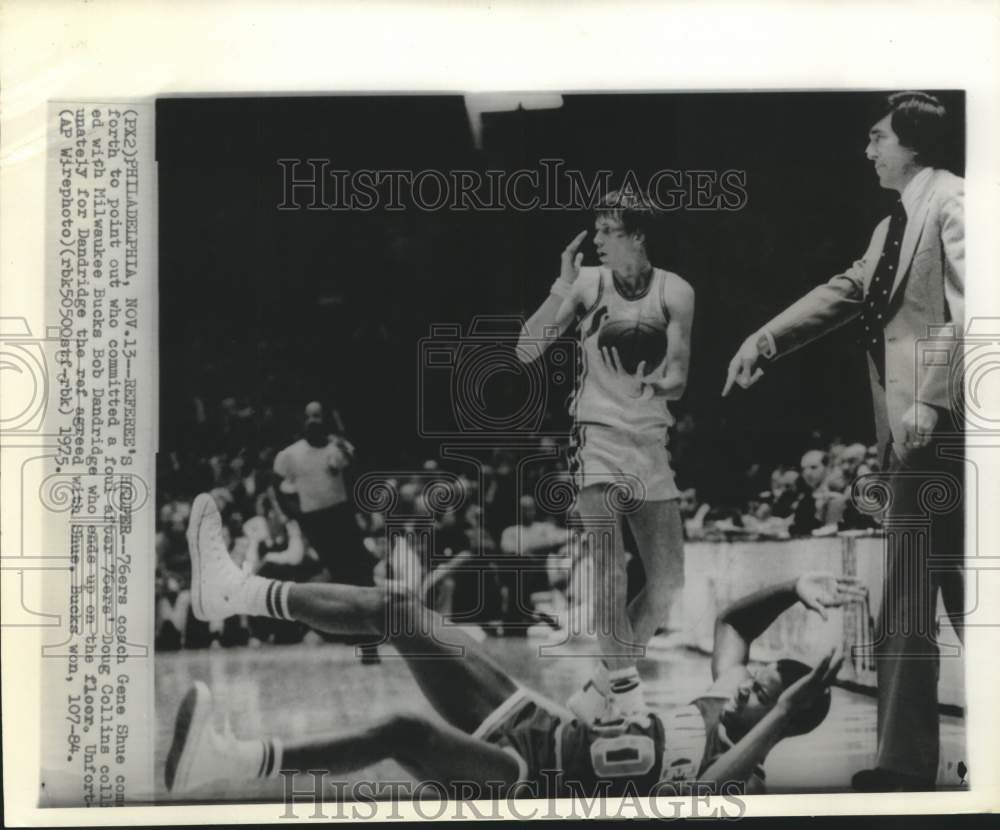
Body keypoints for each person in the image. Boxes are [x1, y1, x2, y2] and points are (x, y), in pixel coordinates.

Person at [167, 492, 854, 796]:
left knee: (403, 732)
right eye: (765, 676)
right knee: (399, 610)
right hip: (536, 726)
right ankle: (238, 593)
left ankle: (229, 761)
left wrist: (780, 720)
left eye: (769, 689)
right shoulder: (717, 695)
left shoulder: (747, 771)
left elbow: (700, 799)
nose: (755, 680)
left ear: (782, 716)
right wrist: (797, 583)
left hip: (536, 785)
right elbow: (733, 624)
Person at [724, 91, 964, 791]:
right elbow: (847, 290)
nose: (868, 151)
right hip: (909, 436)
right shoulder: (893, 225)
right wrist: (764, 338)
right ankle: (908, 761)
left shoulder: (956, 205)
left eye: (877, 138)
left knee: (909, 594)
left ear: (913, 144)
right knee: (946, 588)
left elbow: (985, 313)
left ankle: (902, 765)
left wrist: (927, 398)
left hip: (938, 427)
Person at [517, 189, 695, 723]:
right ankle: (627, 694)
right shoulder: (589, 284)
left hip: (649, 440)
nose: (595, 240)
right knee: (607, 563)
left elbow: (680, 380)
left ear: (637, 236)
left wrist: (655, 384)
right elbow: (526, 348)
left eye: (607, 231)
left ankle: (601, 684)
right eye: (595, 230)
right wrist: (561, 286)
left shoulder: (676, 291)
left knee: (667, 584)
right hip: (594, 436)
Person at [273, 401, 379, 663]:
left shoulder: (338, 448)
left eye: (318, 416)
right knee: (340, 576)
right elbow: (277, 484)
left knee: (361, 573)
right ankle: (354, 635)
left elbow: (355, 477)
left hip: (342, 515)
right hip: (315, 521)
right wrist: (294, 513)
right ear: (302, 421)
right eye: (309, 416)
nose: (314, 421)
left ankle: (368, 640)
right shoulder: (290, 455)